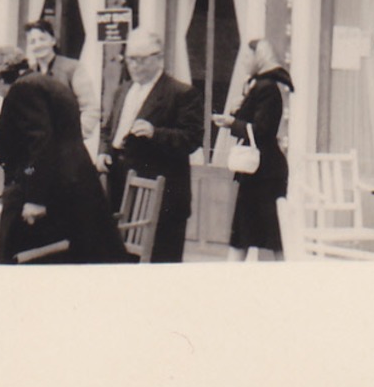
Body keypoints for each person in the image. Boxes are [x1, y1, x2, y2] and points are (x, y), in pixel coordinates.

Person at [0, 45, 124, 264]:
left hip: (49, 192)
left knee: (16, 262)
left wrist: (35, 199)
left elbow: (40, 145)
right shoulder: (44, 83)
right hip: (68, 186)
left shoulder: (24, 89)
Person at [100, 27, 202, 264]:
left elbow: (192, 139)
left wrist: (155, 133)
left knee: (159, 264)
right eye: (130, 60)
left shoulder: (181, 93)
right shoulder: (123, 90)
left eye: (141, 60)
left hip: (161, 196)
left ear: (159, 58)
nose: (134, 66)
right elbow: (108, 129)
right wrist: (103, 152)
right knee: (121, 261)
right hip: (120, 187)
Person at [213, 38, 294, 262]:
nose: (244, 62)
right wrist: (236, 114)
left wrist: (232, 123)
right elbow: (254, 123)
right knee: (256, 232)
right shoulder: (259, 85)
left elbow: (262, 130)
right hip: (261, 172)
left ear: (259, 58)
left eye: (248, 56)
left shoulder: (266, 87)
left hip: (264, 172)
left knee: (262, 232)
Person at [23, 18, 99, 156]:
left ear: (53, 41)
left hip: (67, 151)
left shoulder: (72, 68)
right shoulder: (29, 75)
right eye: (32, 42)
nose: (38, 45)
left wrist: (74, 137)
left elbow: (90, 109)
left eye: (42, 39)